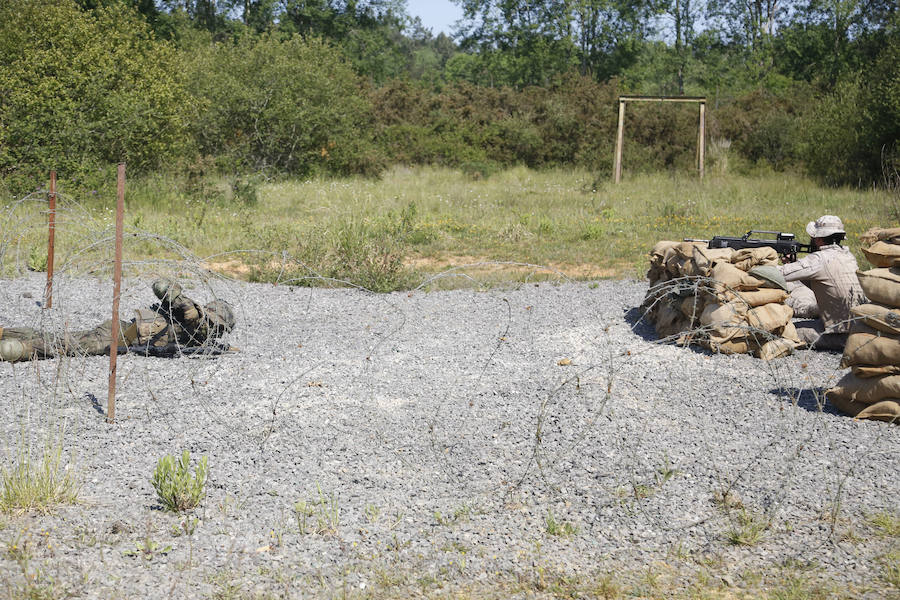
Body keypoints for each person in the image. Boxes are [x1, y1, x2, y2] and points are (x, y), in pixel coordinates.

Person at [0, 279, 235, 362]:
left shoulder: (202, 337)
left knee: (63, 339)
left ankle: (10, 337)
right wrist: (181, 300)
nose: (216, 329)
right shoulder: (195, 318)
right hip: (123, 334)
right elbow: (162, 287)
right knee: (68, 345)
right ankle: (18, 349)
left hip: (125, 334)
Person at [778, 215, 866, 351]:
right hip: (857, 326)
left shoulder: (819, 259)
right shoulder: (848, 256)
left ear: (818, 239)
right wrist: (795, 265)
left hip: (839, 334)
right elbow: (821, 282)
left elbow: (779, 273)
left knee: (780, 331)